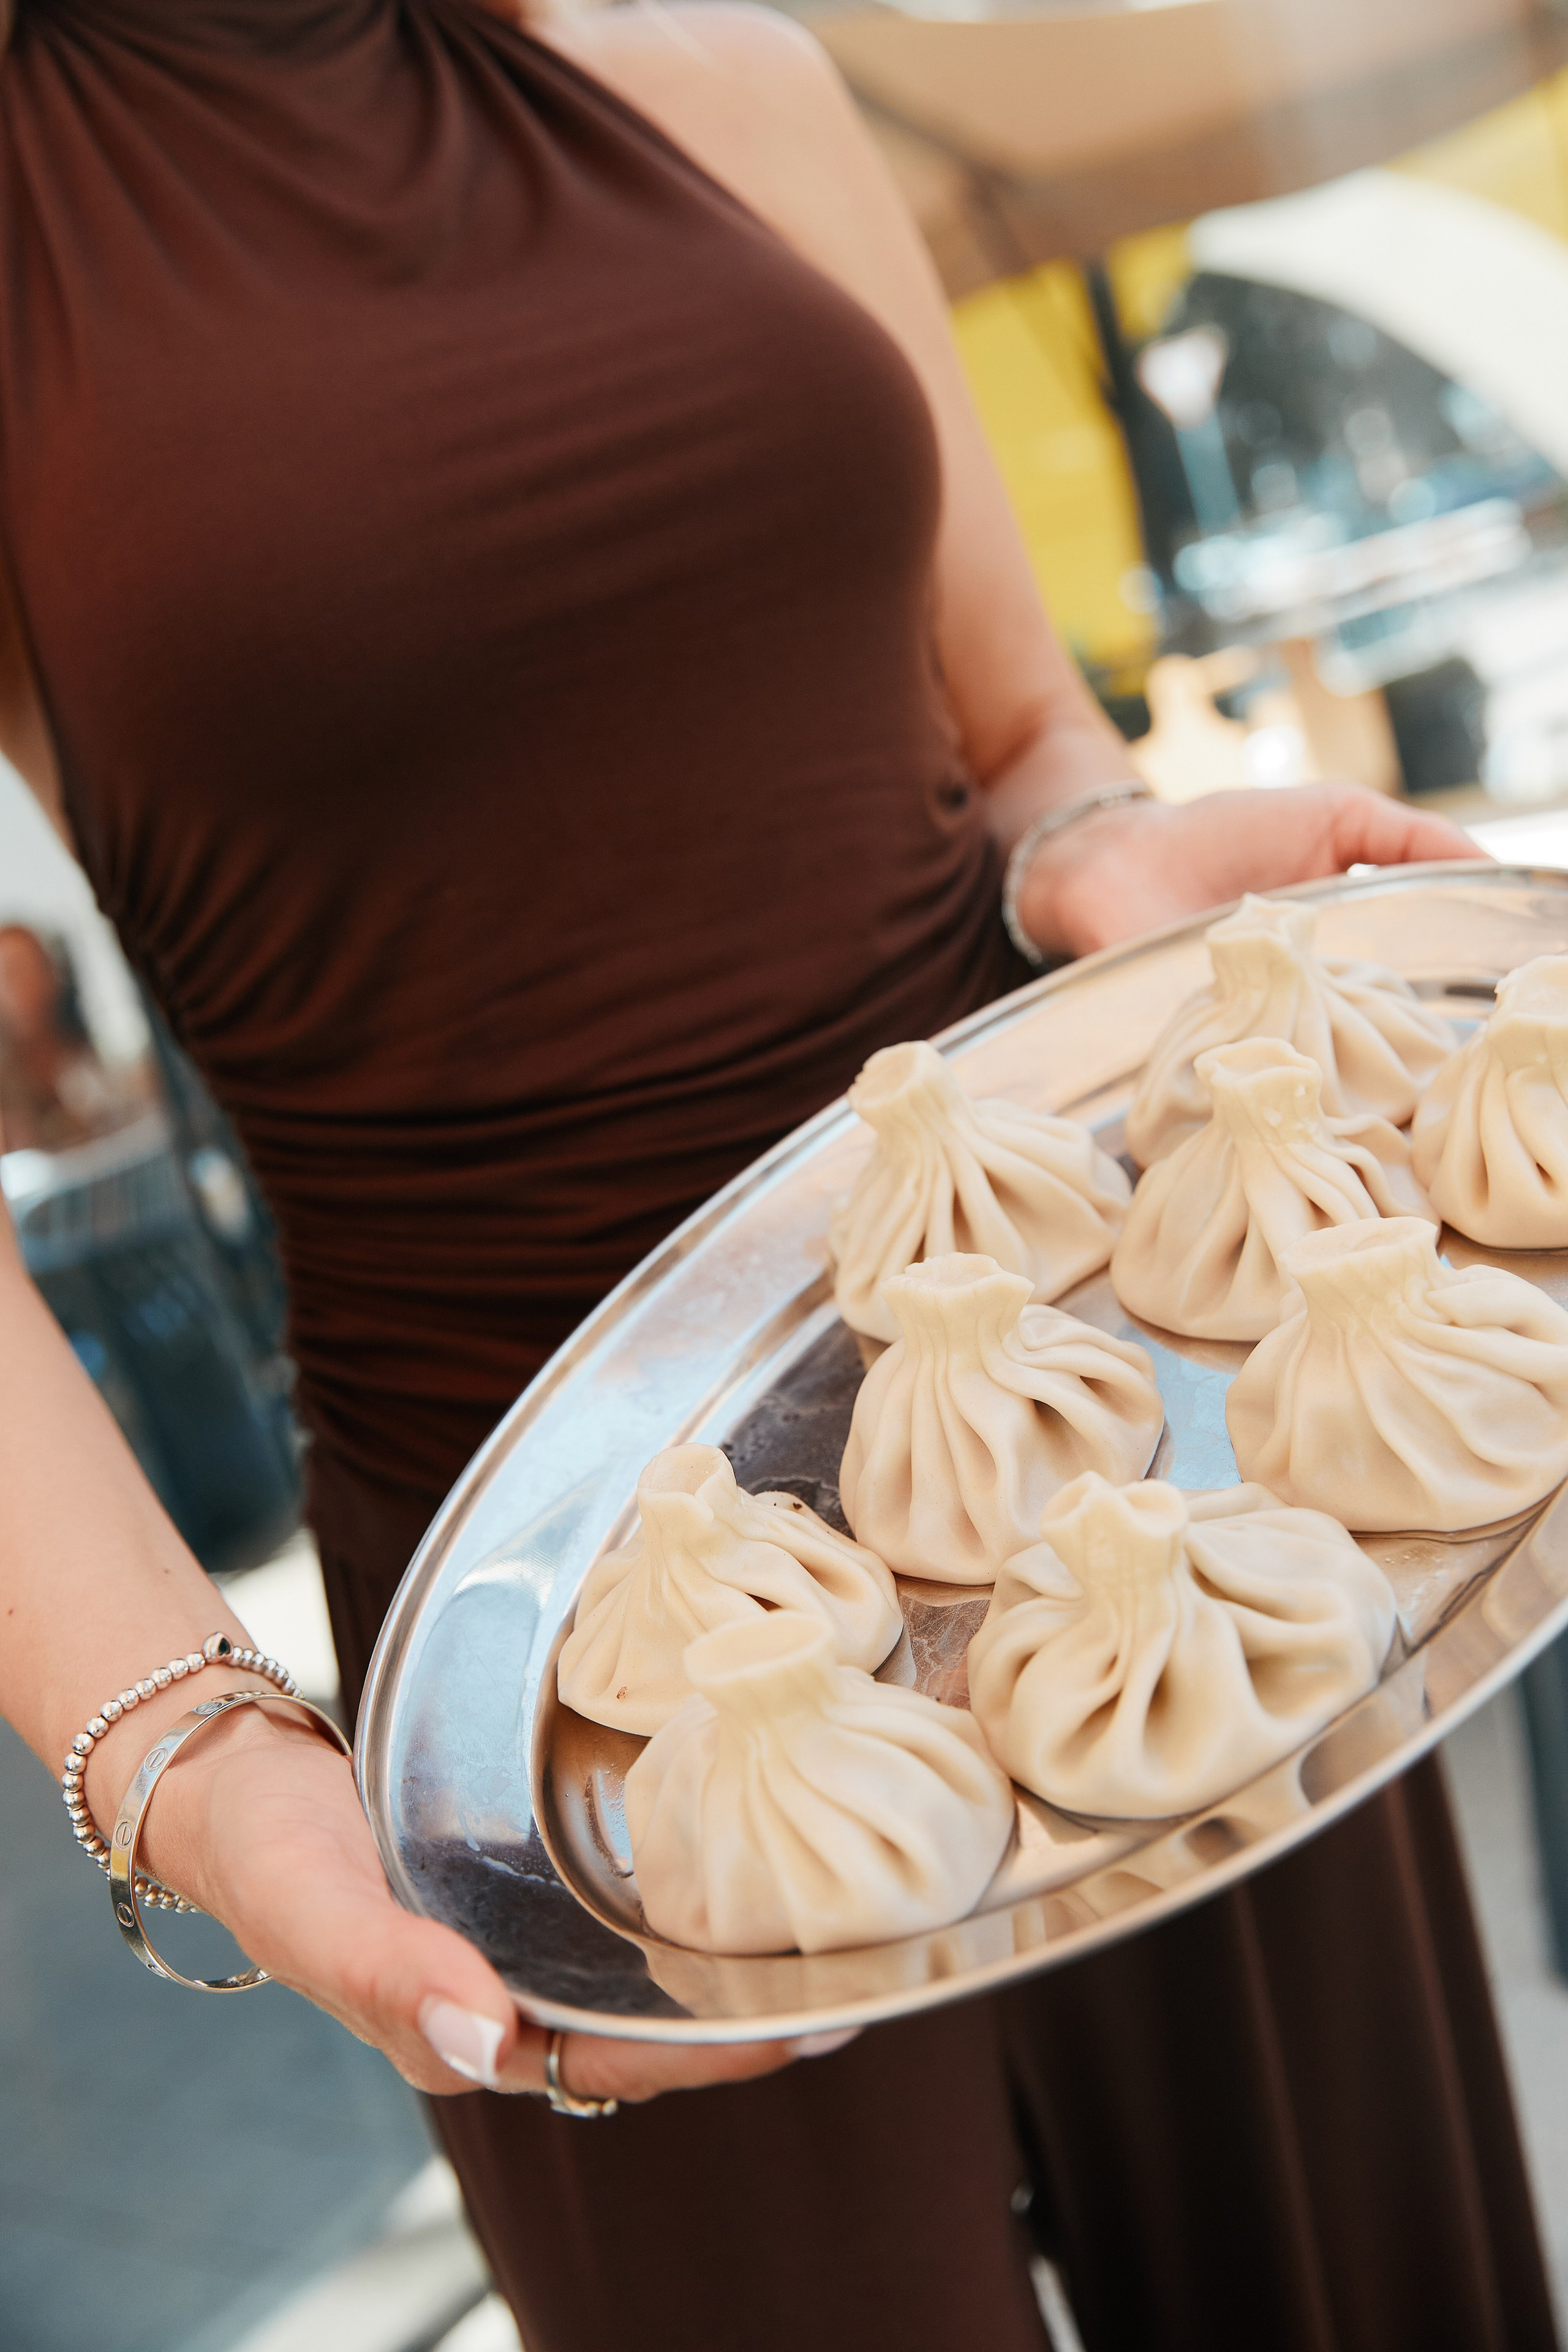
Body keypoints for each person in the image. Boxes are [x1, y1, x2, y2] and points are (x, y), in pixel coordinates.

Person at [0, 3, 1551, 2348]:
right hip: (558, 1686)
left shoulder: (708, 66)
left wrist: (1096, 856)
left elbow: (1018, 737)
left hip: (1117, 1457)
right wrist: (201, 1770)